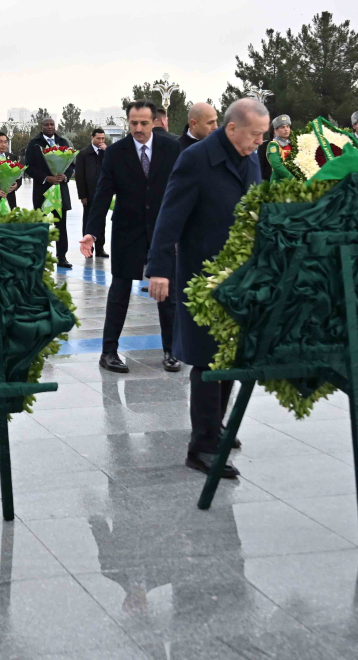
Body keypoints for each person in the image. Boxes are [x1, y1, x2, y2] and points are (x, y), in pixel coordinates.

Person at [144, 98, 267, 478]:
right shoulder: (196, 158)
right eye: (255, 135)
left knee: (232, 354)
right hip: (202, 275)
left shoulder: (249, 158)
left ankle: (218, 428)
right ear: (231, 129)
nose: (260, 142)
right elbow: (170, 214)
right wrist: (160, 269)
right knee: (207, 359)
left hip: (239, 276)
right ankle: (202, 448)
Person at [79, 100, 182, 374]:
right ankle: (108, 351)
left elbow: (181, 191)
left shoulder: (172, 149)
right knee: (120, 292)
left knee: (166, 293)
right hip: (127, 231)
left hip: (161, 232)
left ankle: (172, 351)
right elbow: (102, 195)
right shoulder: (116, 152)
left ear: (155, 122)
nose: (138, 128)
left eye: (143, 123)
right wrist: (91, 231)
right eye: (133, 123)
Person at [24, 116, 74, 268]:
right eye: (47, 124)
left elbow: (72, 164)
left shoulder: (63, 142)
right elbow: (29, 167)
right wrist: (46, 178)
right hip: (42, 191)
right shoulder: (34, 144)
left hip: (60, 191)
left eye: (52, 124)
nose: (50, 127)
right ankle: (40, 256)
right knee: (41, 224)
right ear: (42, 127)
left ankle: (62, 257)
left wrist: (65, 176)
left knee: (61, 225)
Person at [73, 128, 108, 258]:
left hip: (102, 193)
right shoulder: (83, 154)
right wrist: (82, 195)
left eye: (103, 138)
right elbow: (79, 176)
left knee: (101, 221)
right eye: (98, 138)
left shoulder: (106, 152)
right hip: (89, 194)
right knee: (88, 220)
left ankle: (100, 248)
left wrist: (107, 151)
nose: (101, 141)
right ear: (92, 138)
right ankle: (89, 247)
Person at [262, 114, 294, 181]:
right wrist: (291, 177)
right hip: (279, 182)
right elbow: (276, 165)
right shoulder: (274, 145)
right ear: (276, 130)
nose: (286, 129)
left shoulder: (292, 143)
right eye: (282, 127)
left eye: (287, 126)